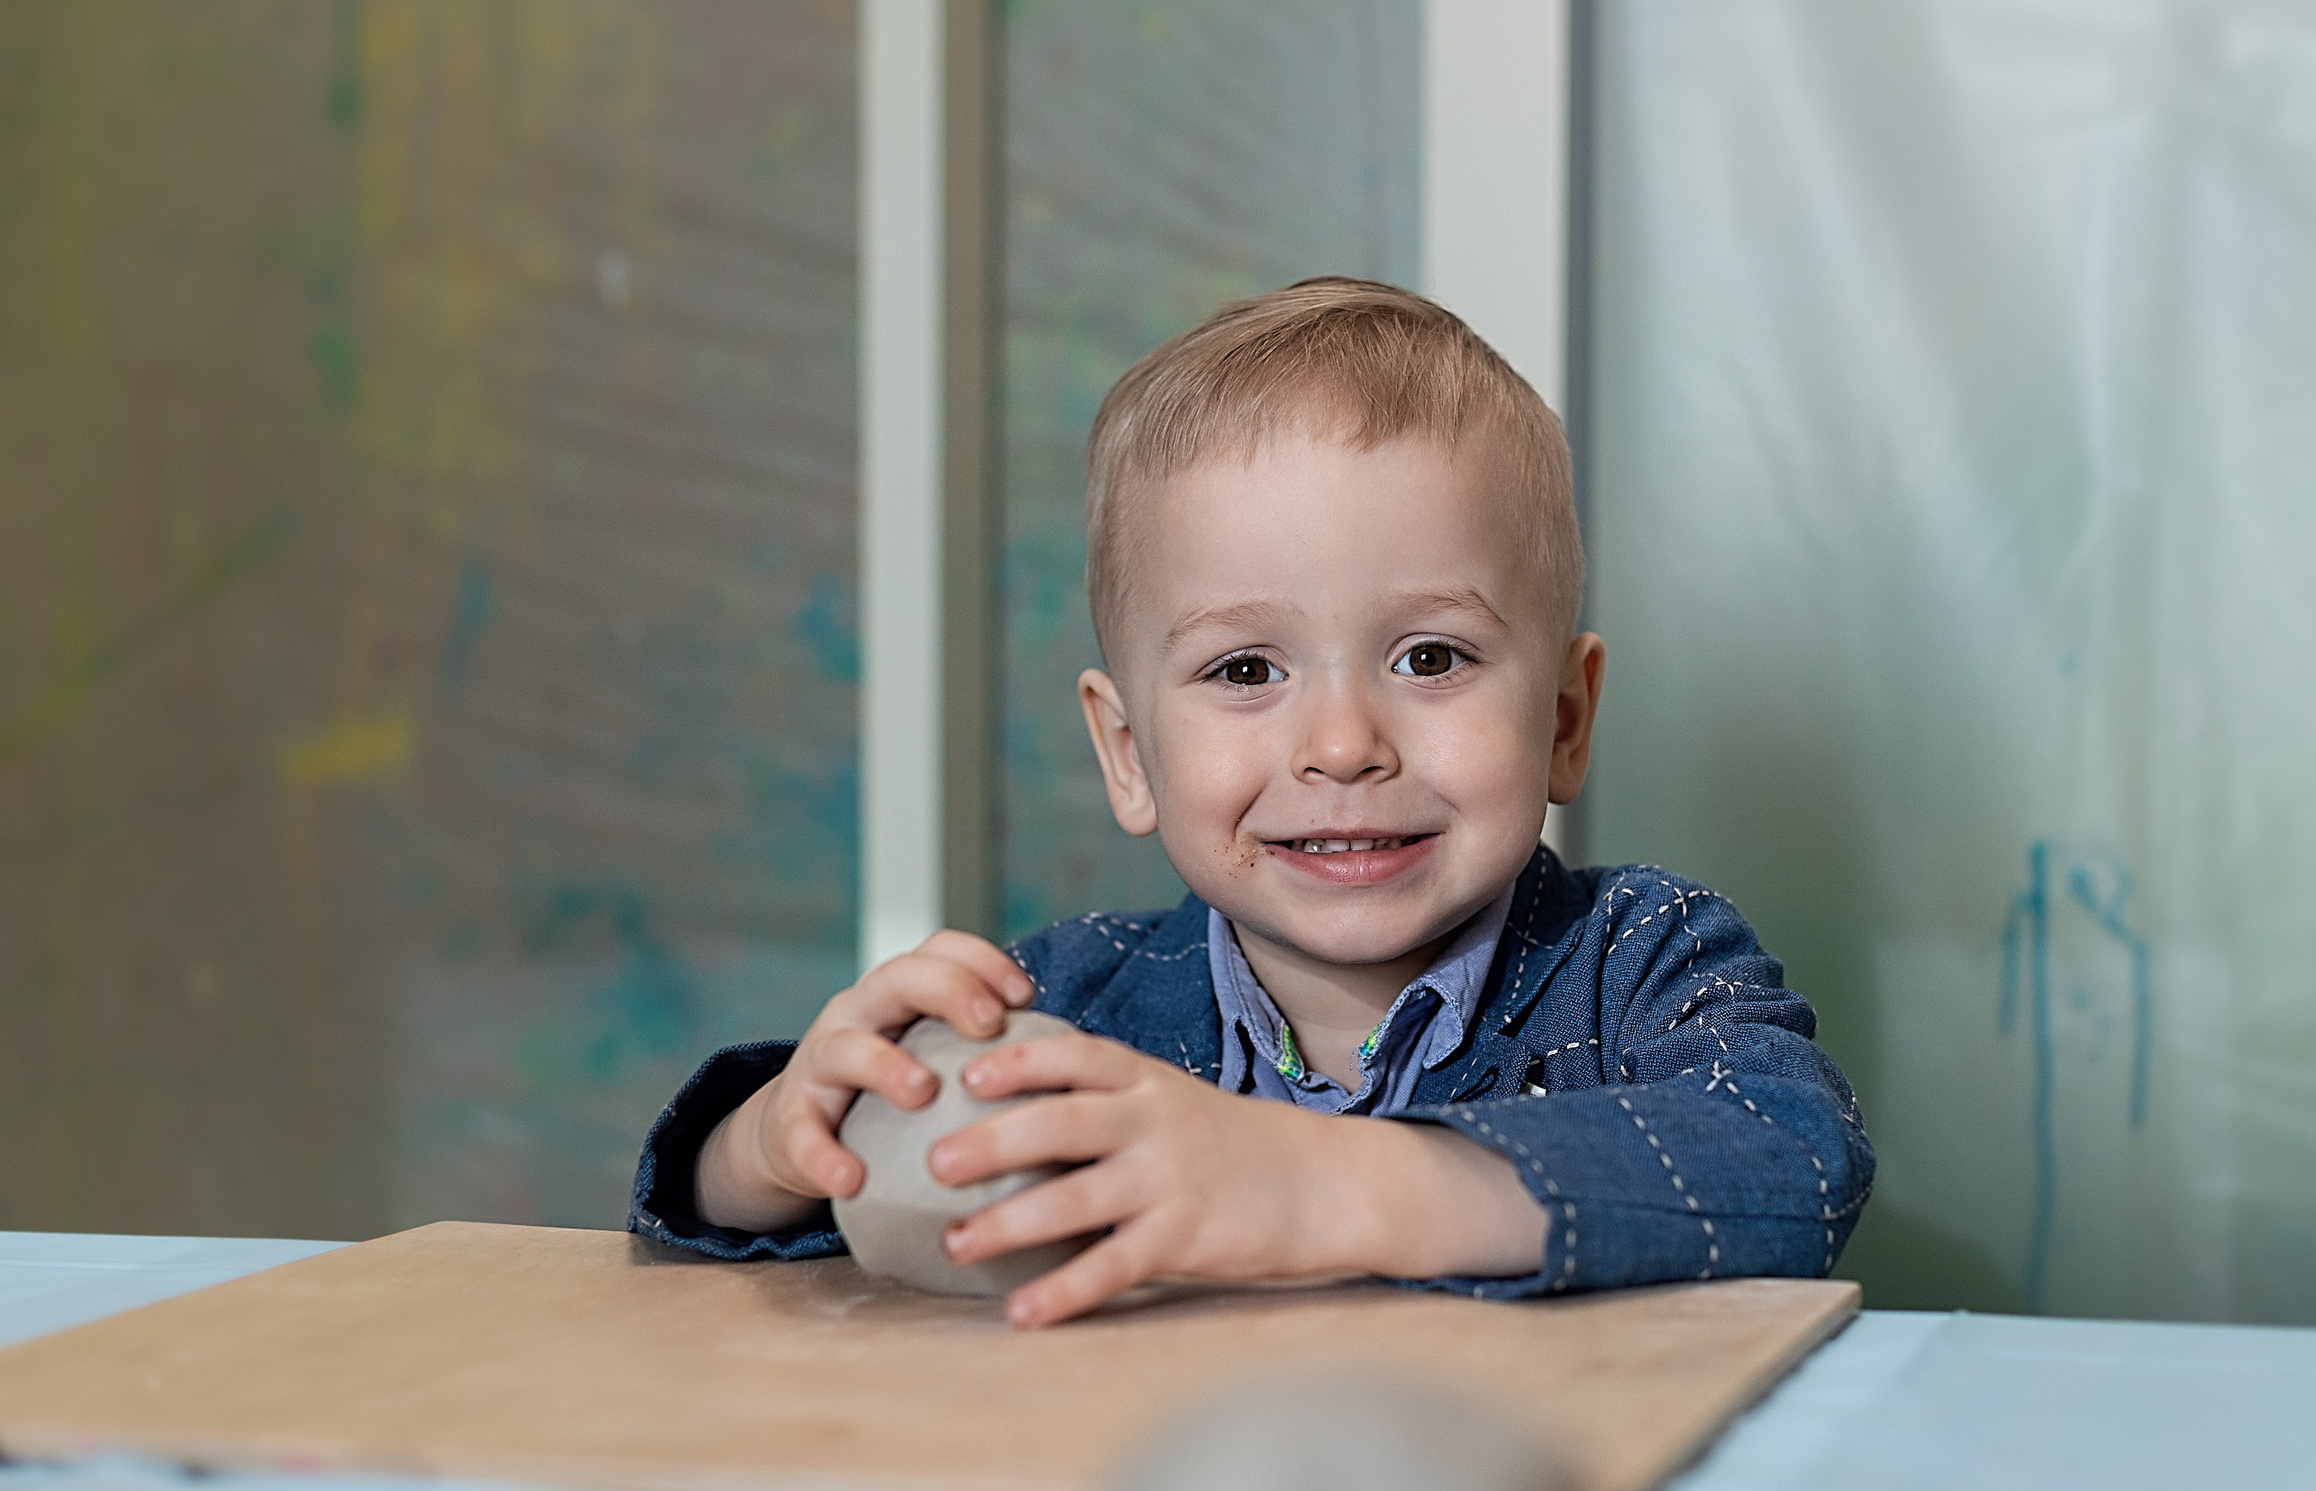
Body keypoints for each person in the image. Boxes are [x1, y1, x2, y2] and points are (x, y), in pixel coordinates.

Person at [627, 277, 1872, 1327]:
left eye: (1430, 658)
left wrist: (1317, 1184)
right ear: (1127, 752)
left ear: (1561, 720)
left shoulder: (1638, 961)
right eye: (1244, 670)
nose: (1340, 745)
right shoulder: (1071, 1007)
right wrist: (780, 1142)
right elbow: (767, 1228)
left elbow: (1788, 1157)